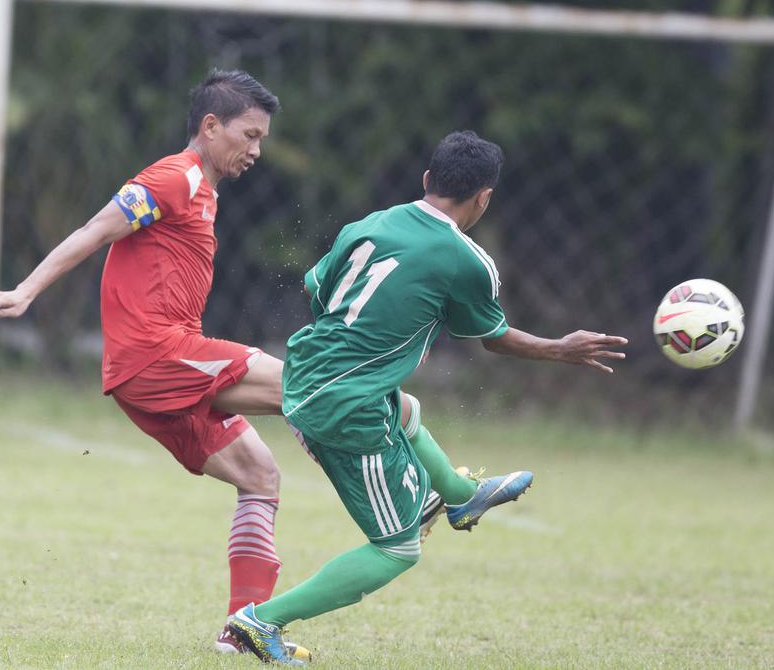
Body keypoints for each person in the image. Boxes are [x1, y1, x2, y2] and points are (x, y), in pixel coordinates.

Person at [227, 130, 629, 665]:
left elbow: (314, 287)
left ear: (426, 180)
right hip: (345, 407)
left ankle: (462, 495)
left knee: (408, 409)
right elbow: (494, 338)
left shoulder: (369, 223)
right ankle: (258, 622)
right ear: (484, 197)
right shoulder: (466, 260)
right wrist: (560, 348)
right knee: (397, 547)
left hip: (305, 373)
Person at [0, 69, 305, 657]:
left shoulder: (205, 189)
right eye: (249, 135)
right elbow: (97, 229)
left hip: (152, 373)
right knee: (306, 386)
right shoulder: (174, 176)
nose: (256, 150)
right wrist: (25, 290)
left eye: (261, 139)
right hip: (158, 355)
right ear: (210, 125)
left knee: (260, 476)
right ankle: (422, 482)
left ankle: (243, 631)